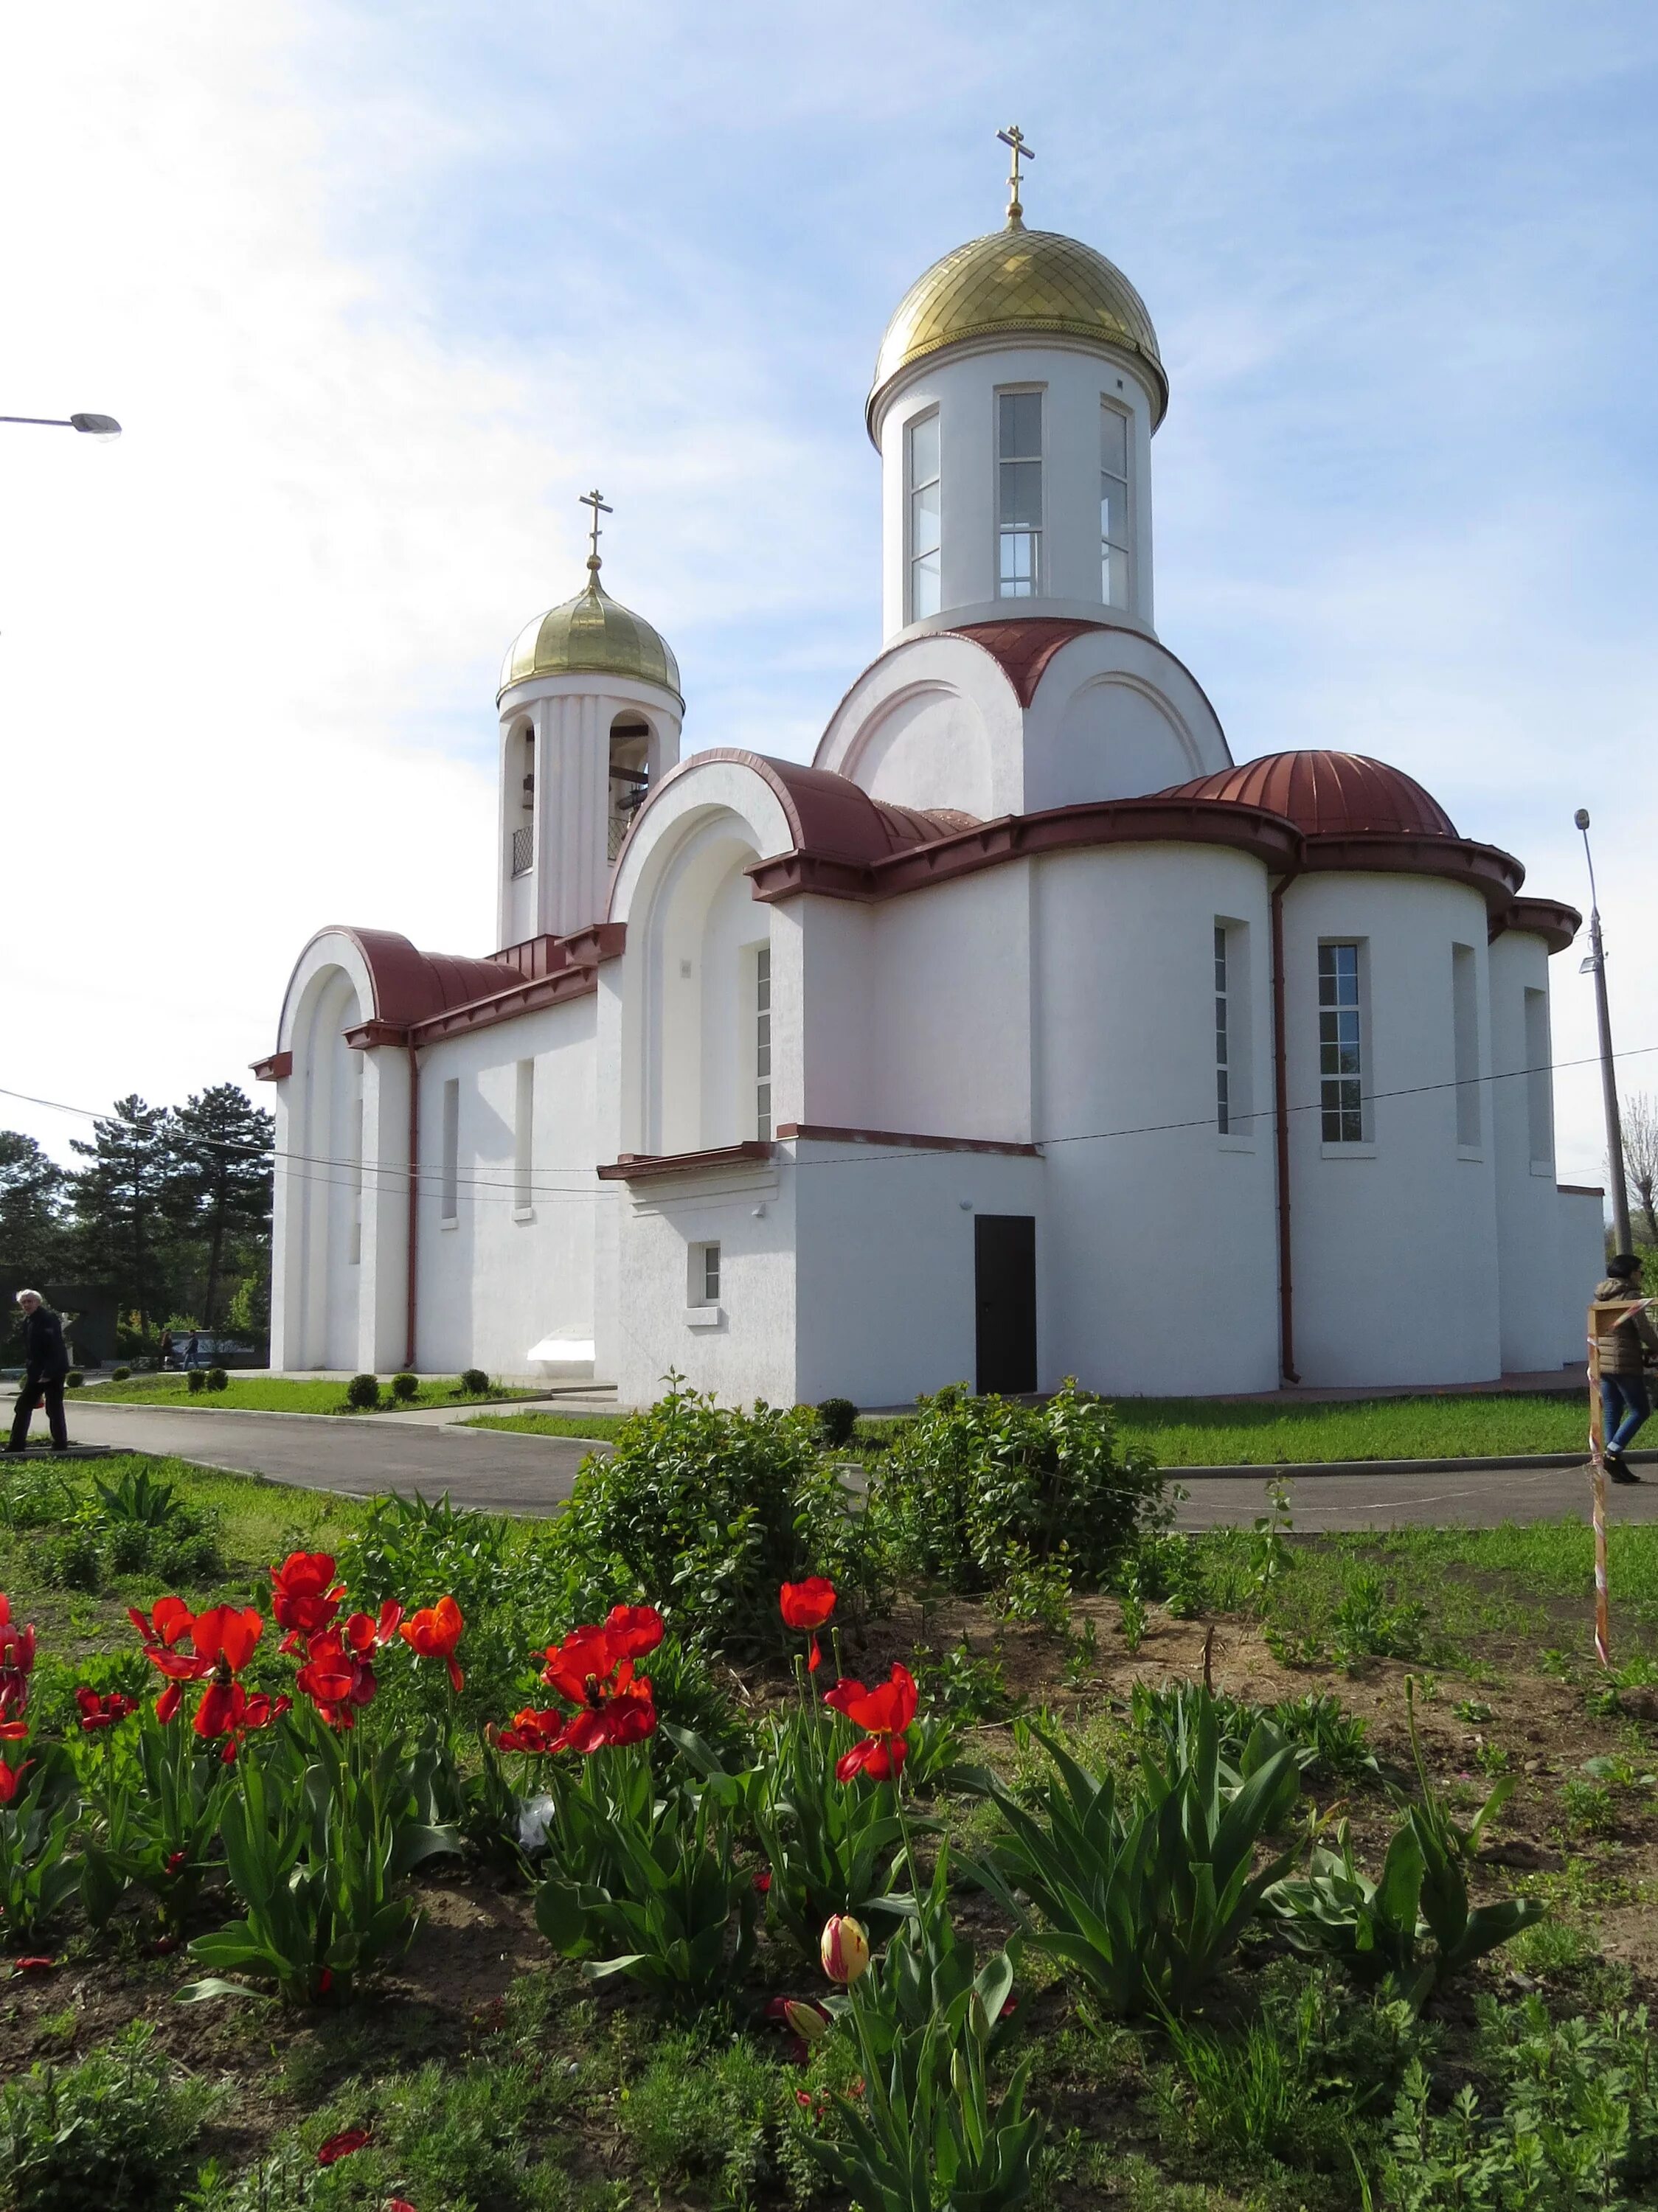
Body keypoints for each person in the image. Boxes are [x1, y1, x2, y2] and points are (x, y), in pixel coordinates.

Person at [1594, 1253, 1658, 1484]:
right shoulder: (1630, 1296)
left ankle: (1614, 1461)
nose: (1642, 1275)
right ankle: (1612, 1453)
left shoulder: (1602, 1296)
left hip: (1603, 1363)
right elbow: (1644, 1331)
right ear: (1631, 1273)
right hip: (1624, 1363)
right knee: (1641, 1410)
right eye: (1640, 1271)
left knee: (1613, 1410)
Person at [4, 1289, 70, 1453]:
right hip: (37, 1372)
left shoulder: (48, 1319)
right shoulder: (28, 1321)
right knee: (25, 1406)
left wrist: (48, 1373)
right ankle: (18, 1445)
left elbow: (54, 1347)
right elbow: (32, 1351)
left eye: (29, 1301)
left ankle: (58, 1444)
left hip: (52, 1371)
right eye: (23, 1302)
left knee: (51, 1407)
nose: (26, 1305)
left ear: (38, 1302)